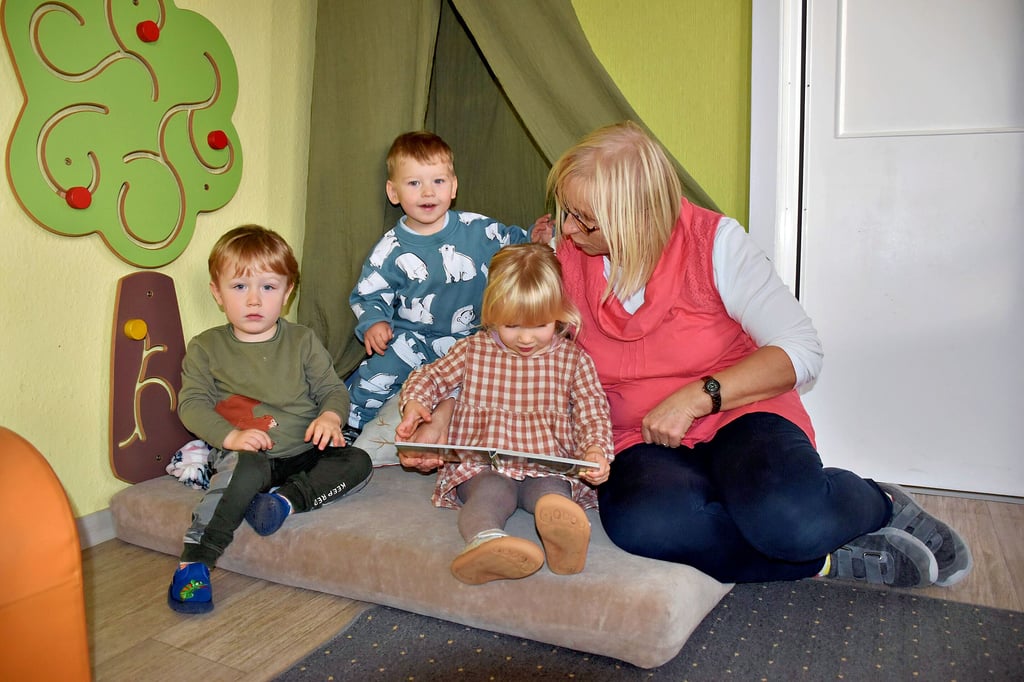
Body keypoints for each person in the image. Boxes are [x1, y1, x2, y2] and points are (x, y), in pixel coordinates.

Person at [539, 121, 972, 588]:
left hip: (739, 413)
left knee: (789, 519)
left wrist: (696, 397)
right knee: (645, 526)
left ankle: (878, 502)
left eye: (585, 219)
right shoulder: (561, 255)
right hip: (638, 438)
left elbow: (801, 350)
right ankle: (819, 561)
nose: (568, 228)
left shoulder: (716, 245)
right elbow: (520, 348)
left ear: (638, 216)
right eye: (567, 211)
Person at [168, 225, 373, 613]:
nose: (254, 301)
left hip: (305, 450)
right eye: (240, 287)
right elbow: (191, 404)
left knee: (358, 462)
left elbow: (332, 388)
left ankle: (284, 502)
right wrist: (230, 437)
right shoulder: (206, 348)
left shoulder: (302, 341)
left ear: (288, 291)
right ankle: (196, 559)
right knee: (239, 475)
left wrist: (330, 416)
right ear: (217, 292)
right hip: (249, 455)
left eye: (268, 287)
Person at [396, 243, 613, 585]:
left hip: (547, 460)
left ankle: (562, 537)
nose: (526, 338)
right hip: (485, 461)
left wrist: (596, 449)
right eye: (511, 325)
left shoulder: (573, 359)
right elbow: (431, 376)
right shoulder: (473, 349)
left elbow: (592, 410)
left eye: (539, 324)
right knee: (492, 494)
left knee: (552, 492)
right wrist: (416, 403)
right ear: (492, 314)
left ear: (559, 313)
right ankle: (486, 543)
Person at [346, 131, 554, 439]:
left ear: (453, 186)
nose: (427, 192)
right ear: (394, 192)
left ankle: (464, 429)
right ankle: (351, 423)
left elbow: (512, 243)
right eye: (414, 183)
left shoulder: (477, 230)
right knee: (375, 373)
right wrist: (374, 321)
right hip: (410, 336)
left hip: (470, 337)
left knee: (493, 379)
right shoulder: (391, 248)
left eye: (438, 182)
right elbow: (369, 293)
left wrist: (533, 238)